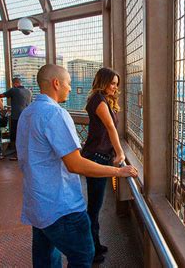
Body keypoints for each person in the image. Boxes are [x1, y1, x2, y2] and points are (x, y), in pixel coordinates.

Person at [16, 64, 137, 268]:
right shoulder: (56, 114)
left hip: (37, 202)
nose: (71, 89)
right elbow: (75, 164)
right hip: (60, 206)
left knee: (46, 258)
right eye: (69, 84)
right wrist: (118, 171)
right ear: (56, 83)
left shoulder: (27, 114)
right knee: (83, 254)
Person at [81, 67, 125, 263]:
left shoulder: (101, 99)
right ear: (102, 81)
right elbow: (109, 127)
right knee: (94, 207)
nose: (114, 87)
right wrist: (120, 152)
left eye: (116, 84)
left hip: (97, 155)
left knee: (94, 205)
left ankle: (95, 244)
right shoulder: (99, 101)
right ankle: (92, 250)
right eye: (111, 83)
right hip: (97, 157)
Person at [0, 77, 32, 160]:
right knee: (25, 135)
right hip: (27, 116)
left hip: (17, 117)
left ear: (15, 83)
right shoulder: (28, 91)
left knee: (16, 135)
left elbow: (1, 96)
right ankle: (26, 154)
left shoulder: (14, 90)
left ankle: (17, 155)